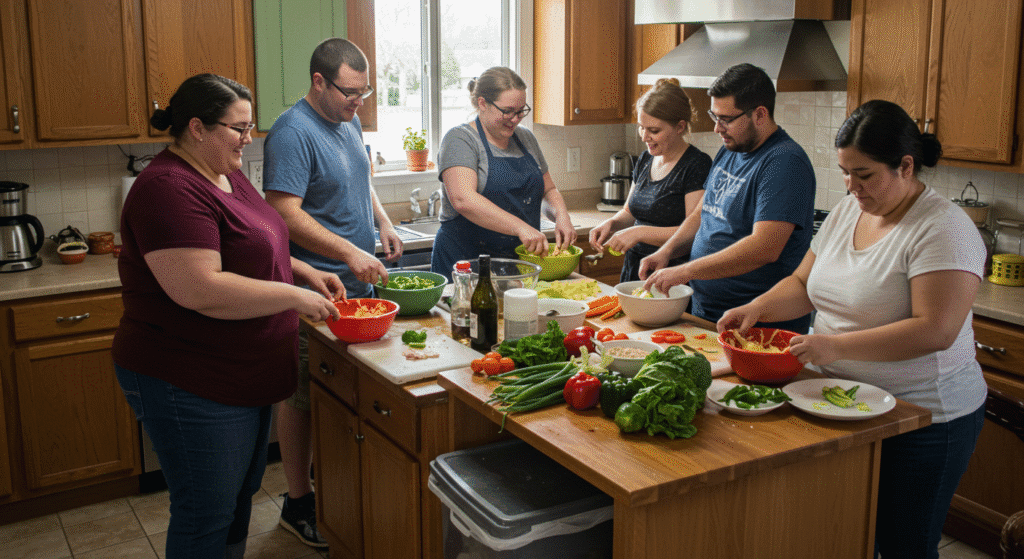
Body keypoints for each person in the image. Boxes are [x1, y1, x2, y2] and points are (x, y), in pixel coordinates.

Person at [718, 99, 987, 559]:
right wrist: (757, 308)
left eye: (863, 174)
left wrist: (835, 347)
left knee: (904, 546)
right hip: (837, 403)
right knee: (843, 533)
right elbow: (803, 284)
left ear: (905, 166)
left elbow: (935, 330)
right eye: (845, 172)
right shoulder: (848, 211)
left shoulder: (945, 229)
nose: (851, 186)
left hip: (922, 416)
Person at [113, 73, 344, 559]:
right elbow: (200, 288)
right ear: (197, 128)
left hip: (242, 371)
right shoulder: (168, 188)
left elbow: (256, 241)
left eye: (250, 126)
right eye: (238, 128)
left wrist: (304, 271)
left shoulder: (224, 172)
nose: (249, 139)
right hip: (190, 377)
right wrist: (293, 297)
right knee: (206, 512)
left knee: (237, 501)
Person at [263, 38, 402, 549]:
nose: (358, 103)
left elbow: (360, 180)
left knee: (348, 395)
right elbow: (283, 211)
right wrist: (348, 251)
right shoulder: (292, 132)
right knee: (302, 396)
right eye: (350, 92)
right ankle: (298, 502)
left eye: (364, 93)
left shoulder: (348, 120)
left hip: (356, 287)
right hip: (313, 291)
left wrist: (383, 221)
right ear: (318, 81)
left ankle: (336, 492)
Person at [640, 63, 815, 333]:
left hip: (757, 326)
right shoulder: (730, 149)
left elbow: (764, 247)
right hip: (706, 312)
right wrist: (667, 251)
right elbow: (703, 212)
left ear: (760, 114)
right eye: (714, 116)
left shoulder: (784, 163)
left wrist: (686, 271)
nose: (716, 128)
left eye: (726, 119)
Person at [430, 66, 576, 279]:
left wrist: (561, 216)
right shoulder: (460, 139)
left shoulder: (525, 138)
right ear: (483, 103)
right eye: (507, 111)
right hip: (466, 265)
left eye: (521, 111)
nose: (515, 119)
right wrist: (521, 228)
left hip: (518, 265)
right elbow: (463, 199)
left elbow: (548, 190)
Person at [588, 78, 711, 282]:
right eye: (641, 127)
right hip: (634, 267)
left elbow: (692, 231)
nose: (644, 137)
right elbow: (629, 211)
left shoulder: (697, 165)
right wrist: (612, 223)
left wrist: (639, 232)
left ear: (680, 126)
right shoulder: (646, 159)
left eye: (654, 131)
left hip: (672, 275)